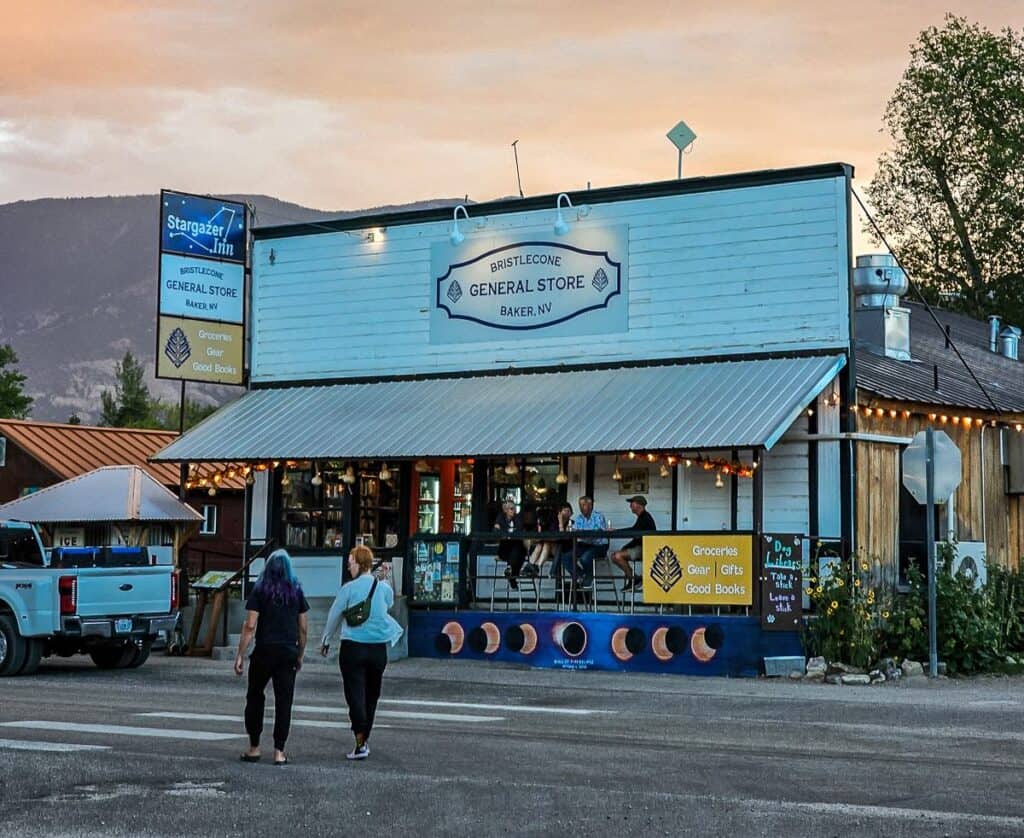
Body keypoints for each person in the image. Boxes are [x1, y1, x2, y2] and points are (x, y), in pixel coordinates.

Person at [320, 545, 403, 761]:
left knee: (354, 694)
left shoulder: (348, 589)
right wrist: (383, 581)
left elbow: (334, 615)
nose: (349, 565)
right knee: (372, 694)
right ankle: (364, 739)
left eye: (351, 561)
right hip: (378, 649)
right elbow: (389, 603)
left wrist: (326, 639)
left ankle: (360, 741)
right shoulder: (383, 588)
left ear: (361, 563)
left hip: (353, 647)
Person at [235, 549, 309, 766]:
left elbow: (250, 625)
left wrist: (240, 654)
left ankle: (254, 747)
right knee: (284, 702)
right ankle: (279, 751)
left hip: (264, 651)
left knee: (255, 696)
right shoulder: (296, 592)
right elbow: (303, 627)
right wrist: (301, 654)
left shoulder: (259, 591)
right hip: (287, 652)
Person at [557, 495, 609, 587]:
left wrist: (580, 533)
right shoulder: (579, 518)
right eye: (580, 505)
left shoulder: (598, 516)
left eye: (583, 505)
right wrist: (563, 525)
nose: (581, 507)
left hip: (599, 546)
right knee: (565, 557)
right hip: (585, 545)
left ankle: (589, 577)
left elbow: (597, 533)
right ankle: (581, 575)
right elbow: (572, 531)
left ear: (590, 505)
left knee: (584, 558)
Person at [610, 495, 657, 590]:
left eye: (632, 503)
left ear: (639, 505)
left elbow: (634, 531)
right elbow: (636, 535)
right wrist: (626, 547)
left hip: (646, 549)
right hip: (641, 547)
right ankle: (634, 578)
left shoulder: (645, 517)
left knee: (617, 556)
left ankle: (634, 579)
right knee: (614, 556)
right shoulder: (642, 517)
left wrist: (616, 531)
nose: (630, 506)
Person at [522, 502, 571, 578]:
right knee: (541, 544)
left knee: (546, 543)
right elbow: (550, 534)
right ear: (559, 512)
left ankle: (532, 567)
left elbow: (563, 538)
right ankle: (534, 566)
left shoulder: (571, 523)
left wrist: (561, 523)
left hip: (562, 550)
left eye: (568, 511)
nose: (566, 513)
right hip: (549, 547)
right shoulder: (554, 522)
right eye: (565, 510)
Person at [494, 499, 526, 589]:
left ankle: (510, 569)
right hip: (504, 549)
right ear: (505, 510)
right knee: (518, 552)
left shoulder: (518, 518)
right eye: (512, 509)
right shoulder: (501, 517)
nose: (514, 510)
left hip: (517, 548)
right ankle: (512, 576)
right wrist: (507, 533)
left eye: (515, 508)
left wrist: (506, 532)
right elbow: (496, 530)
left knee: (519, 549)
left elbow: (520, 530)